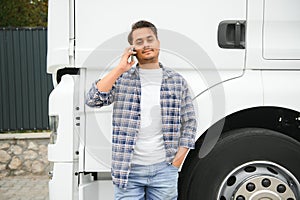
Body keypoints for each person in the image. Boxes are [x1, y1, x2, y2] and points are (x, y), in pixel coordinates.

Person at [86, 20, 197, 200]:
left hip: (164, 170)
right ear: (132, 49)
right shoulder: (122, 79)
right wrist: (120, 68)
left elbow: (190, 121)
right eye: (139, 42)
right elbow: (93, 99)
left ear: (158, 43)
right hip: (128, 171)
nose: (145, 44)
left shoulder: (177, 81)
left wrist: (176, 162)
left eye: (149, 39)